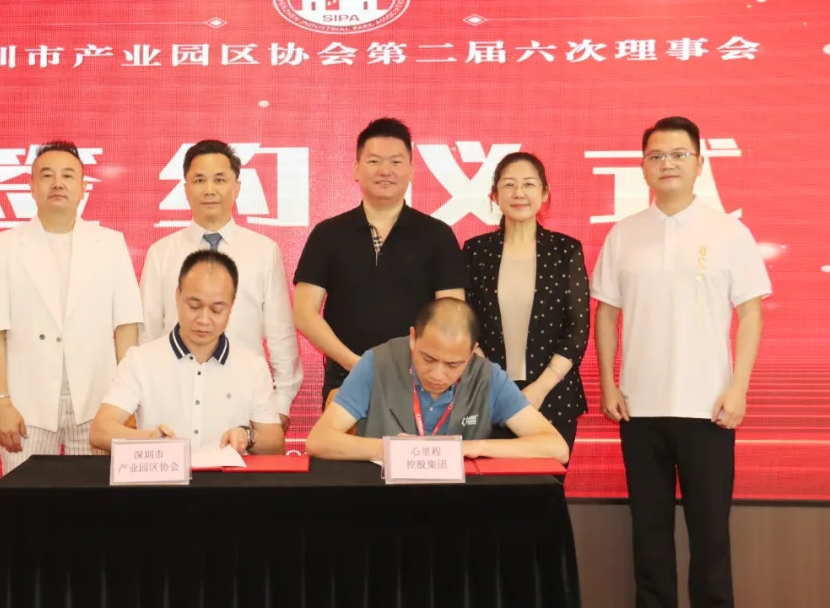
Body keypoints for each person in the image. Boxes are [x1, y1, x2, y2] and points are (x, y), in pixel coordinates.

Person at [592, 116, 771, 608]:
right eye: (656, 156)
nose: (667, 163)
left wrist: (738, 388)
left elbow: (751, 314)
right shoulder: (624, 233)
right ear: (643, 167)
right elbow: (606, 314)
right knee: (648, 537)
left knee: (711, 537)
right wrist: (608, 383)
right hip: (639, 410)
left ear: (699, 164)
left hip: (708, 409)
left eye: (678, 154)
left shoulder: (729, 231)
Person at [0, 140, 143, 474]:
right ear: (31, 186)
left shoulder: (110, 244)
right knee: (26, 499)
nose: (57, 183)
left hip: (99, 402)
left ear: (83, 188)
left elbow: (126, 328)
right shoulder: (5, 246)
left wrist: (126, 402)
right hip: (27, 405)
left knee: (96, 499)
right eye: (47, 175)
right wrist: (2, 403)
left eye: (68, 176)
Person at [293, 117, 467, 408]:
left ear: (411, 170)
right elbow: (304, 313)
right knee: (342, 440)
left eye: (396, 162)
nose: (385, 171)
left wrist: (424, 365)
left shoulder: (438, 235)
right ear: (356, 169)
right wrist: (355, 364)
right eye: (374, 161)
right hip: (346, 379)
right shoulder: (328, 234)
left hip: (421, 383)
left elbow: (453, 315)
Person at [139, 139, 302, 430]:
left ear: (236, 187)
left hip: (243, 398)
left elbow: (280, 334)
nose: (209, 189)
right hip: (172, 397)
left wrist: (281, 404)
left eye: (219, 179)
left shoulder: (264, 251)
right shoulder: (161, 253)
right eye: (199, 180)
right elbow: (147, 334)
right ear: (185, 188)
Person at [305, 298, 569, 464]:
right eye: (428, 358)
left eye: (453, 365)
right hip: (383, 500)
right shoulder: (377, 363)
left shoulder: (488, 376)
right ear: (413, 338)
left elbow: (556, 448)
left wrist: (472, 448)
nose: (437, 374)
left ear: (471, 352)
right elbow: (319, 441)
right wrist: (392, 449)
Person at [90, 249, 285, 454]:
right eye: (194, 306)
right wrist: (150, 439)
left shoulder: (252, 367)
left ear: (231, 305)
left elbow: (276, 444)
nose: (203, 319)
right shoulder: (140, 360)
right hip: (163, 474)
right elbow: (100, 431)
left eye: (217, 309)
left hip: (225, 475)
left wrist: (248, 436)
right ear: (177, 296)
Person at [462, 152, 590, 454]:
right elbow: (464, 324)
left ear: (544, 194)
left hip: (552, 396)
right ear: (494, 195)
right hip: (488, 395)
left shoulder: (565, 250)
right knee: (490, 480)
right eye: (509, 184)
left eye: (529, 184)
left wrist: (541, 388)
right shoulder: (476, 251)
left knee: (545, 482)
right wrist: (493, 382)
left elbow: (577, 330)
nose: (518, 192)